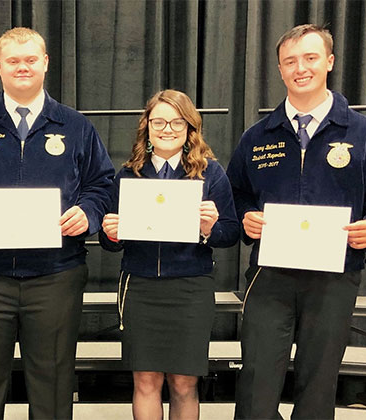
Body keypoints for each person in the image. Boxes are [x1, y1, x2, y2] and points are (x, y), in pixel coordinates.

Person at [0, 27, 115, 420]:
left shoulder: (76, 126)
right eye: (13, 60)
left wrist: (89, 213)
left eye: (31, 59)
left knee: (53, 389)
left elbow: (101, 185)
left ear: (46, 63)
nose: (22, 67)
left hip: (56, 276)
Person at [226, 24, 366, 419]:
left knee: (319, 379)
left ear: (330, 62)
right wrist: (244, 218)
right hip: (269, 276)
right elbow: (234, 195)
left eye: (310, 58)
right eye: (290, 61)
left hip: (334, 277)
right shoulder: (257, 136)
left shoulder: (362, 132)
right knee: (256, 376)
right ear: (279, 68)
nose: (300, 68)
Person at [100, 89, 239, 420]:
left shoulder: (211, 174)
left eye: (177, 121)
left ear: (191, 127)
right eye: (158, 121)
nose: (167, 128)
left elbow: (231, 233)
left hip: (190, 288)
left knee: (183, 384)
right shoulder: (127, 175)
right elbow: (109, 244)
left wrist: (209, 228)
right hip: (141, 288)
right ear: (146, 126)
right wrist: (110, 233)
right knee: (145, 382)